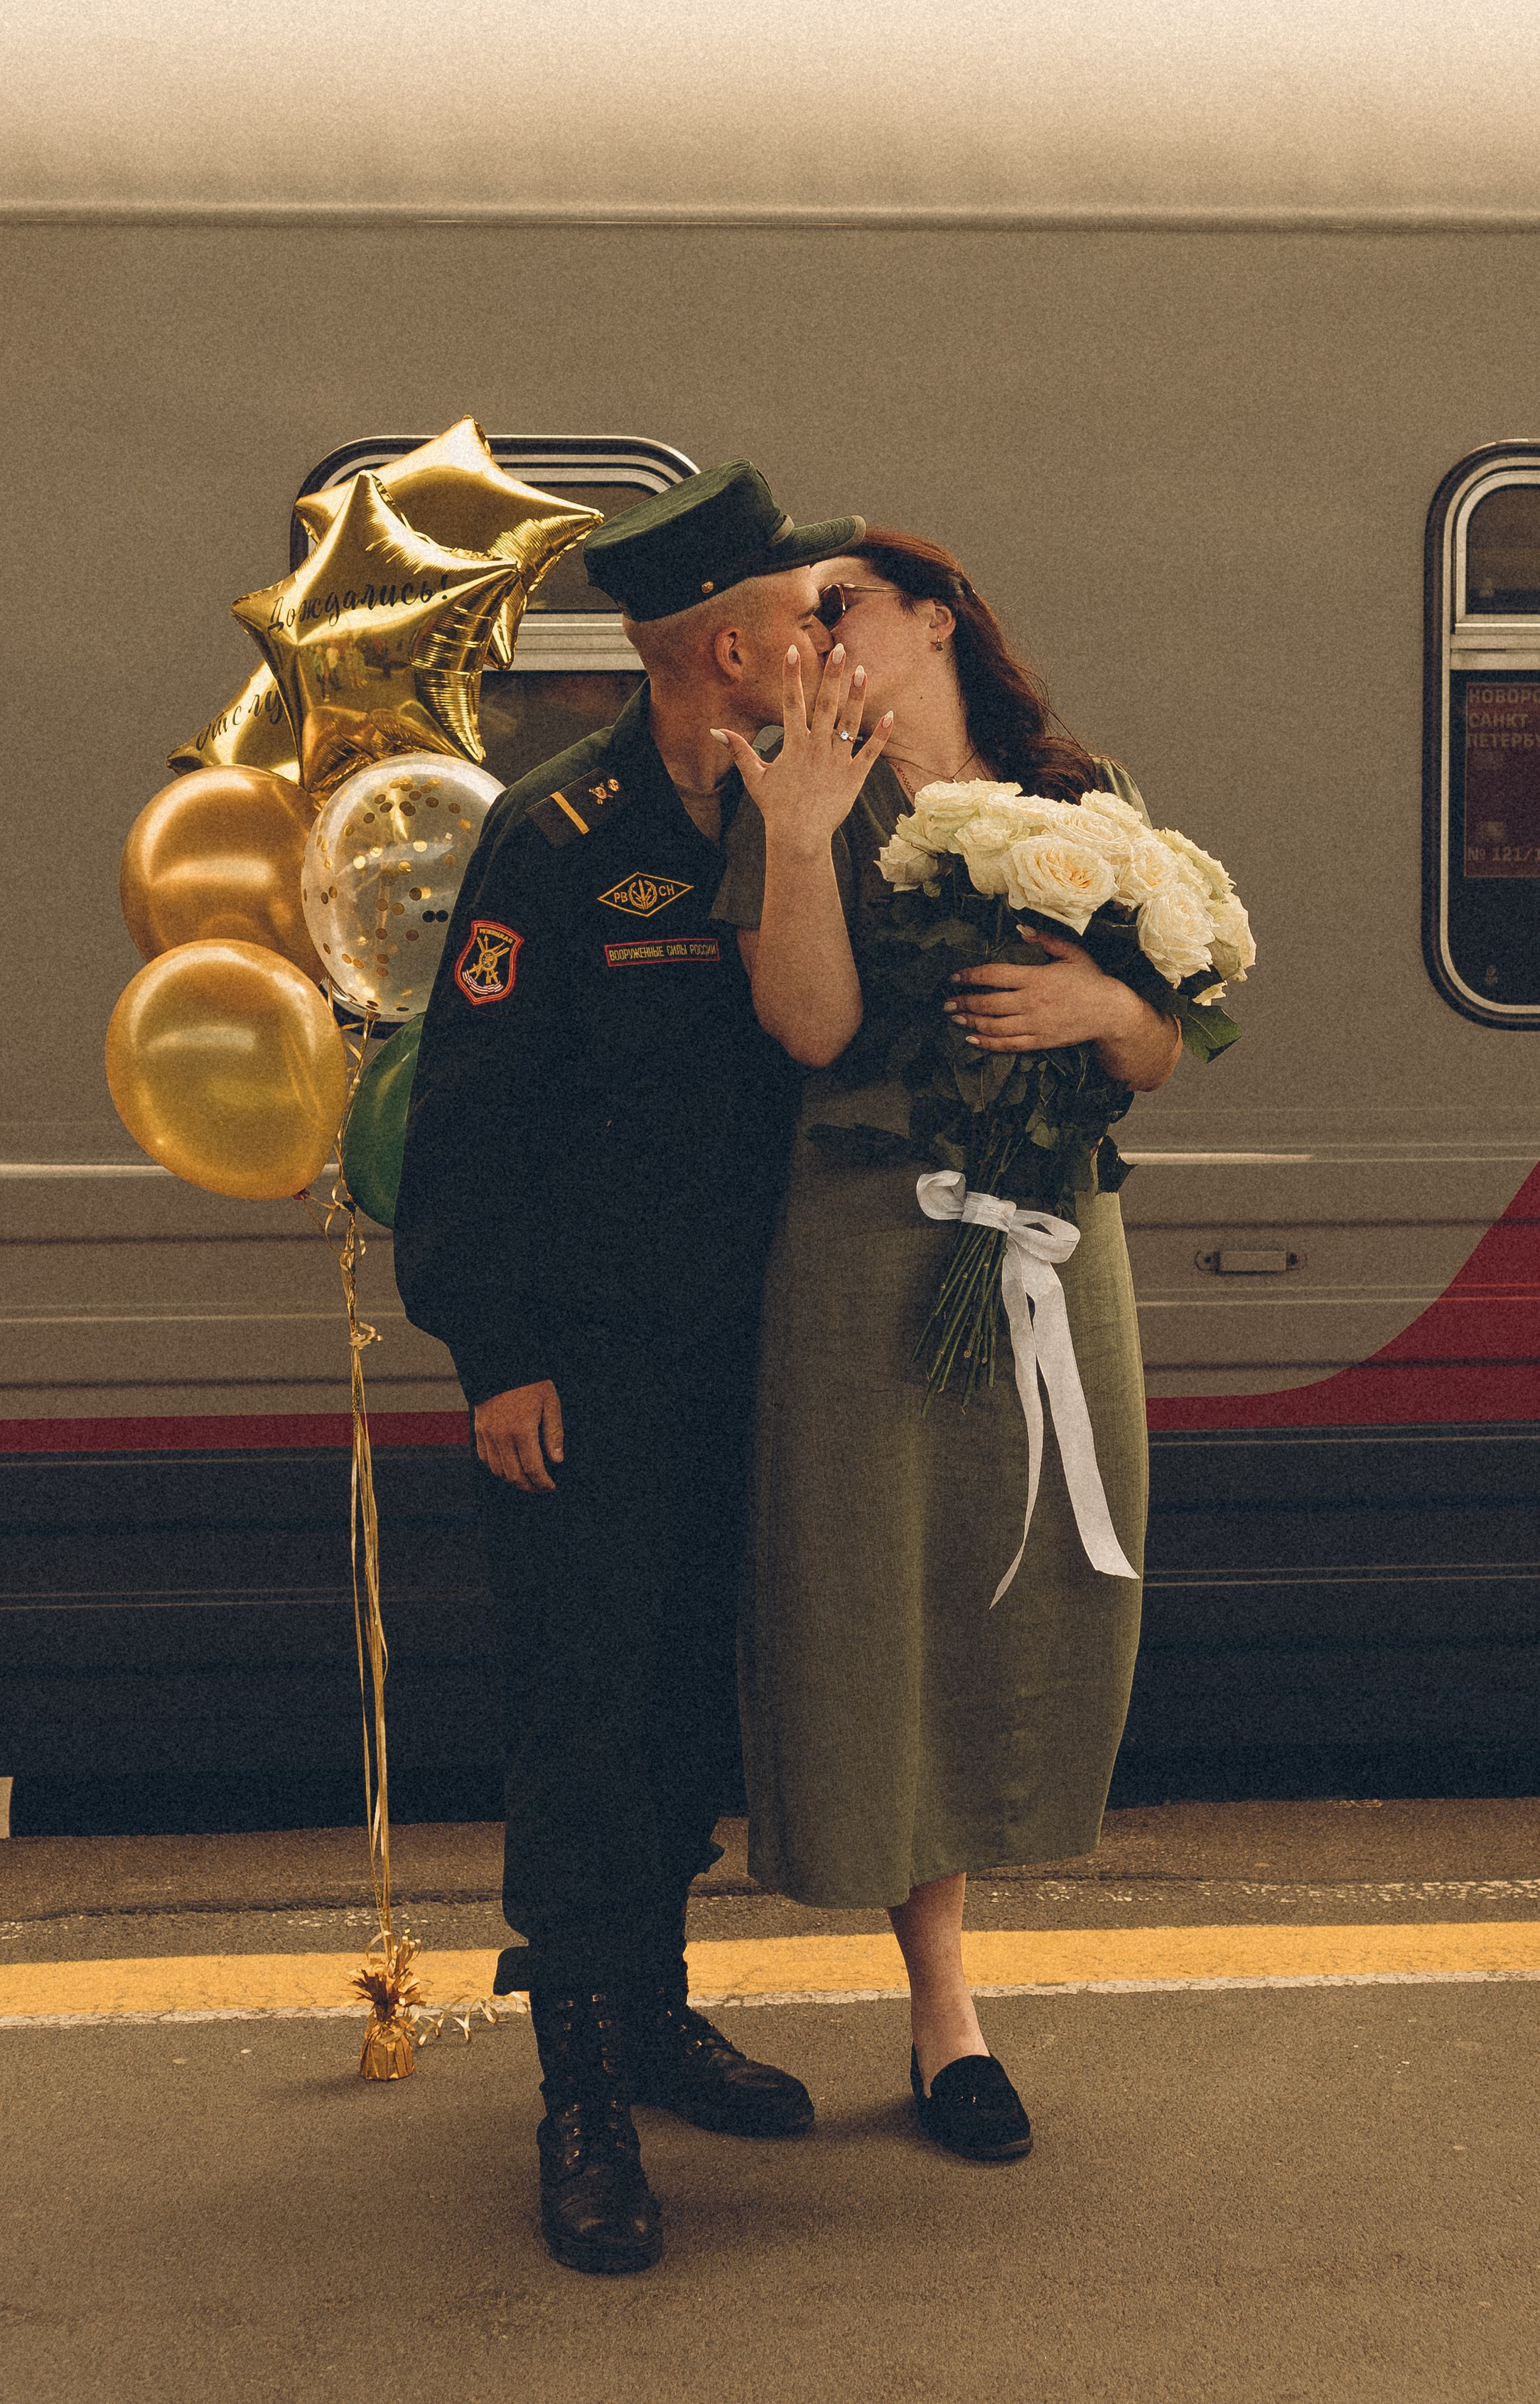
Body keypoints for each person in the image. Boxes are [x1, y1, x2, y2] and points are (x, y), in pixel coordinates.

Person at [393, 460, 876, 2277]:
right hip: (584, 1374)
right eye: (793, 621)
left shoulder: (776, 814)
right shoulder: (557, 835)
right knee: (584, 1718)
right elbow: (468, 1124)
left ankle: (653, 2012)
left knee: (682, 1703)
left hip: (738, 1362)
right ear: (726, 645)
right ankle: (578, 2093)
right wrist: (495, 1357)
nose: (812, 643)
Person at [711, 529, 1183, 2166]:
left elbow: (1158, 1040)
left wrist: (1110, 1020)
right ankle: (943, 2011)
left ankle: (970, 1953)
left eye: (835, 605)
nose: (808, 634)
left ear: (933, 617)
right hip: (863, 1248)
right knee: (884, 1600)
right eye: (791, 618)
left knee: (1027, 1577)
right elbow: (811, 1031)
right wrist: (795, 838)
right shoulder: (788, 798)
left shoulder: (1079, 791)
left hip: (1054, 1235)